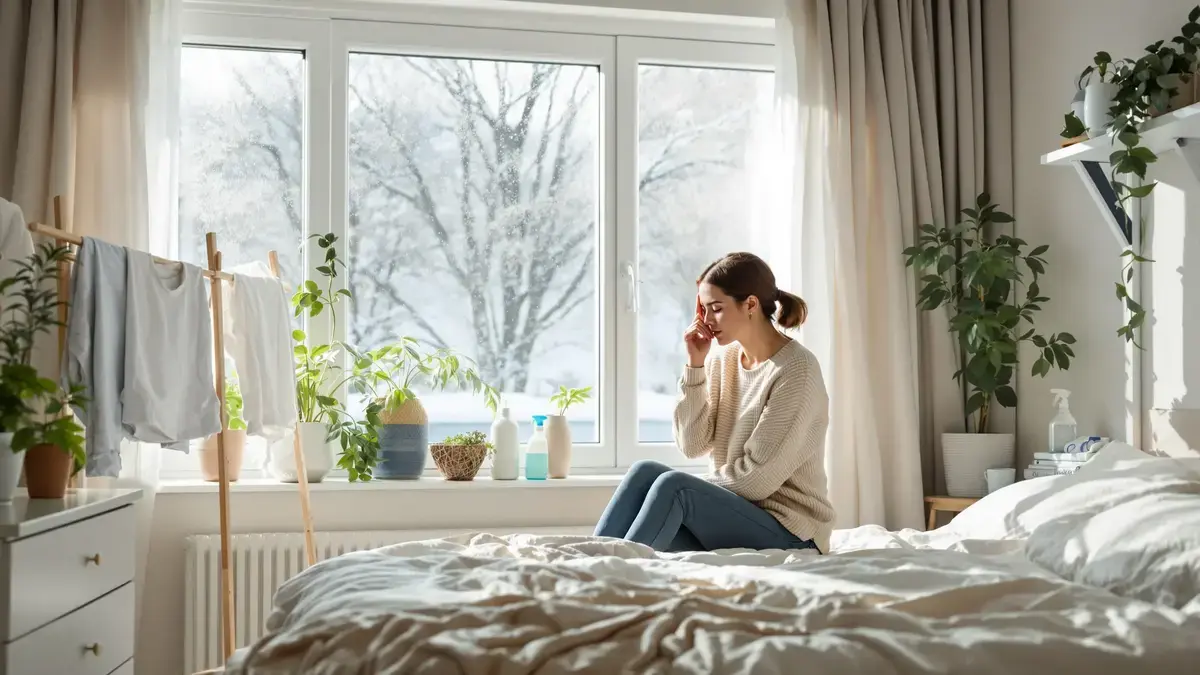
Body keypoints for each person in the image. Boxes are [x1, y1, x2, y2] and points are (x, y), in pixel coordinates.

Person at [594, 252, 835, 554]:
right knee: (645, 473)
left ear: (750, 305)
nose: (706, 321)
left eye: (716, 309)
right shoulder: (725, 360)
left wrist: (689, 489)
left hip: (791, 533)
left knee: (674, 487)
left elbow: (756, 481)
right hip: (735, 516)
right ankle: (587, 568)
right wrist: (695, 365)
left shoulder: (797, 370)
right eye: (703, 309)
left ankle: (607, 574)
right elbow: (693, 445)